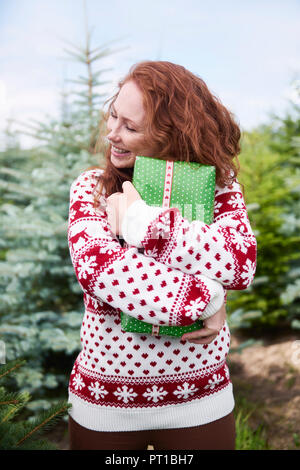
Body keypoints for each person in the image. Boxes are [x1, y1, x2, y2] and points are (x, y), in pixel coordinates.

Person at [67, 61, 257, 450]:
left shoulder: (220, 190)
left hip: (200, 398)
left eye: (130, 127)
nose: (111, 134)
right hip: (106, 403)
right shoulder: (93, 189)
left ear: (172, 134)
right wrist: (211, 297)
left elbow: (241, 263)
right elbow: (105, 275)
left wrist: (143, 223)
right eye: (113, 116)